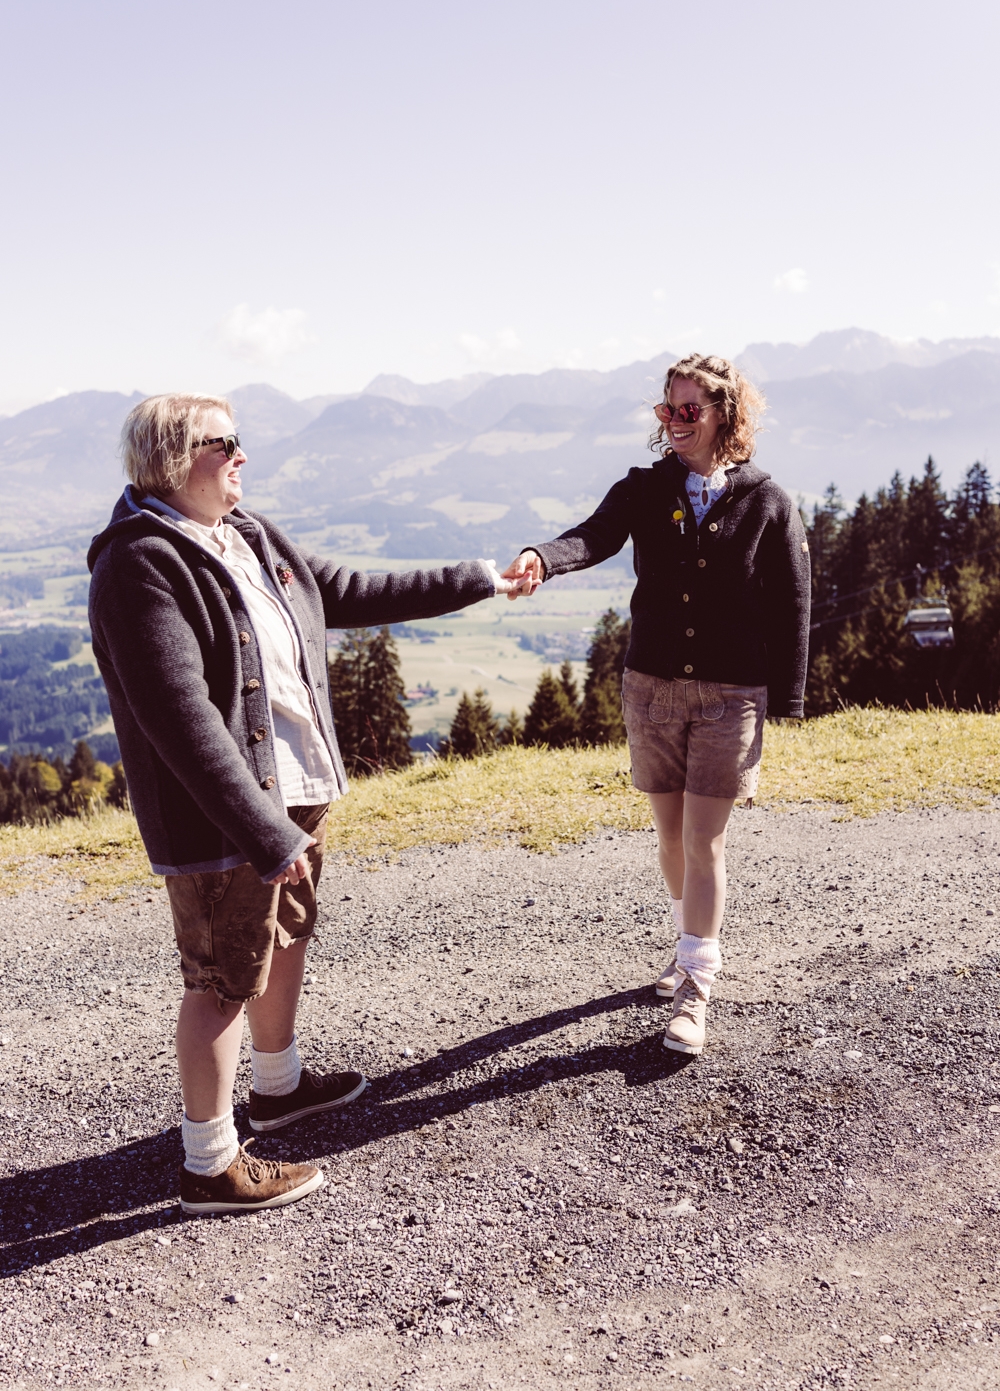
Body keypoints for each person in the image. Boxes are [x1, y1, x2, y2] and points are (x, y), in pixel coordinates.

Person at [88, 394, 529, 1214]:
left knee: (286, 934)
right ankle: (209, 1163)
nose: (244, 458)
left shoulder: (246, 535)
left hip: (294, 787)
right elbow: (180, 718)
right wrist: (261, 831)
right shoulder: (141, 565)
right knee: (223, 977)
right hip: (222, 815)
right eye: (229, 445)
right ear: (179, 460)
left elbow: (340, 590)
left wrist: (477, 581)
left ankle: (282, 1087)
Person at [502, 354, 810, 1056]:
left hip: (732, 695)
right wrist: (540, 558)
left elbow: (793, 602)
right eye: (666, 410)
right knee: (669, 837)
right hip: (652, 688)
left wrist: (786, 700)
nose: (673, 422)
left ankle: (697, 989)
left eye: (688, 410)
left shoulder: (768, 501)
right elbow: (593, 534)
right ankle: (686, 942)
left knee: (704, 841)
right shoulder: (644, 489)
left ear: (724, 416)